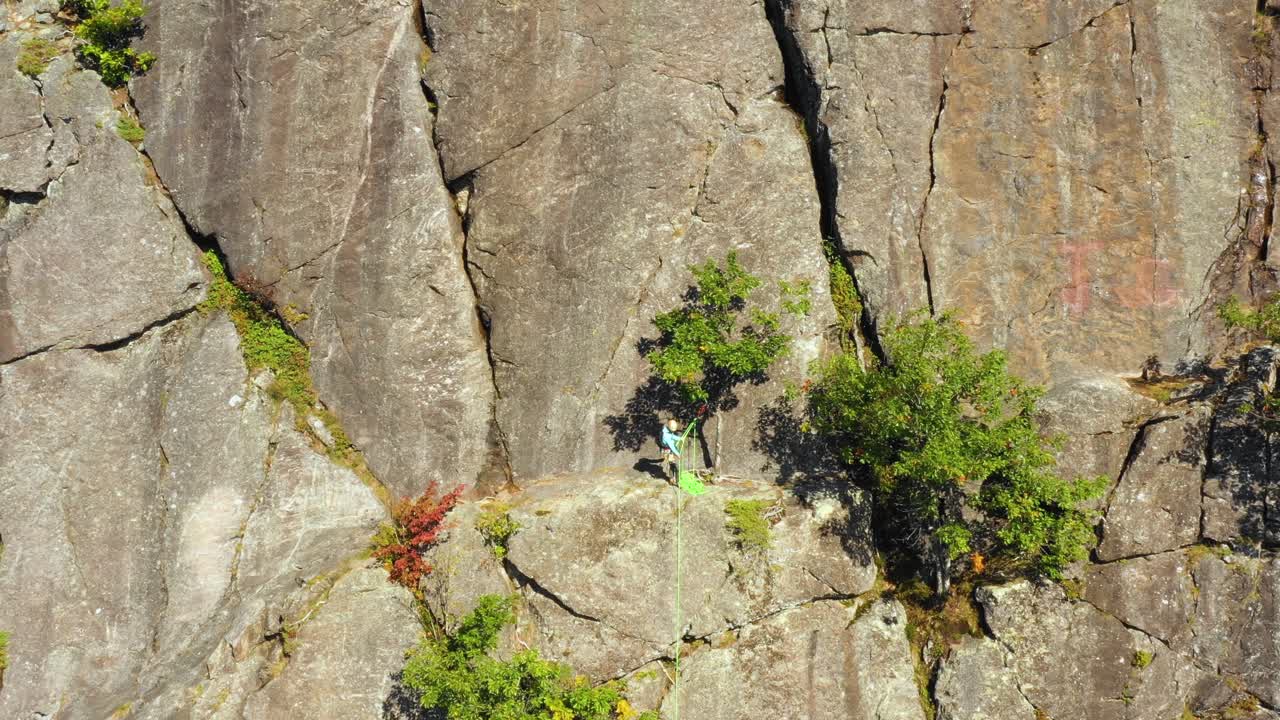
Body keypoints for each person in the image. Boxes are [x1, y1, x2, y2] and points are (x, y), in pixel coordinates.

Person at [660, 418, 682, 484]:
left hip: (667, 451)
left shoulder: (666, 430)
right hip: (668, 452)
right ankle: (678, 482)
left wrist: (680, 438)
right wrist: (678, 454)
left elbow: (672, 436)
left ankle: (671, 479)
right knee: (677, 467)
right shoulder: (667, 436)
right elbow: (672, 446)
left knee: (672, 466)